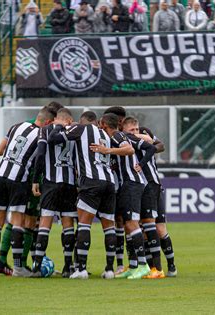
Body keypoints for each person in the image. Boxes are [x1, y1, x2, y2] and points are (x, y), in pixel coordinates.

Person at [47, 114, 134, 280]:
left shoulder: (81, 129)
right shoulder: (106, 136)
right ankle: (109, 269)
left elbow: (53, 139)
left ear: (82, 122)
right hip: (109, 183)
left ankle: (81, 269)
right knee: (109, 226)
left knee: (84, 224)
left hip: (91, 182)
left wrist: (59, 125)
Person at [0, 107, 54, 277]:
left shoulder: (16, 126)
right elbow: (39, 158)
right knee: (18, 221)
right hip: (19, 178)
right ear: (47, 122)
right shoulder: (41, 136)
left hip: (1, 175)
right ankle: (18, 268)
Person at [98, 113, 154, 280]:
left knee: (132, 223)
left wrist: (107, 150)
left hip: (132, 183)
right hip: (127, 184)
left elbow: (129, 150)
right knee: (127, 224)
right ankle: (134, 266)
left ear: (104, 125)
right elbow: (150, 147)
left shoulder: (116, 136)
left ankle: (143, 265)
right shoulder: (123, 135)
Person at [30, 108, 78, 278]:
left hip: (51, 183)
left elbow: (41, 154)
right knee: (68, 225)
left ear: (56, 119)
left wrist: (36, 179)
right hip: (70, 184)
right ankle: (67, 267)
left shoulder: (46, 130)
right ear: (69, 120)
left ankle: (36, 266)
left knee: (45, 224)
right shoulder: (75, 131)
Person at [119, 117, 163, 279]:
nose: (135, 132)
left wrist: (142, 163)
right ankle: (135, 265)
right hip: (139, 185)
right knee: (134, 225)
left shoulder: (142, 136)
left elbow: (159, 145)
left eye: (136, 129)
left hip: (149, 183)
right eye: (132, 130)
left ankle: (157, 268)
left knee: (150, 224)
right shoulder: (124, 140)